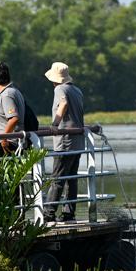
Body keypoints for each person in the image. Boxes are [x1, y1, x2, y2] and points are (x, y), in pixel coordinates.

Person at [43, 61, 85, 223]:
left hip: (65, 142)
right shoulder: (77, 90)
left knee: (58, 178)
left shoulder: (60, 89)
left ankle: (49, 213)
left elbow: (64, 104)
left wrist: (54, 124)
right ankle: (69, 213)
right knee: (71, 179)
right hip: (77, 141)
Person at [0, 62, 25, 155]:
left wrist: (4, 138)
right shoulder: (14, 91)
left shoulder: (6, 95)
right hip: (12, 142)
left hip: (8, 144)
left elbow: (14, 118)